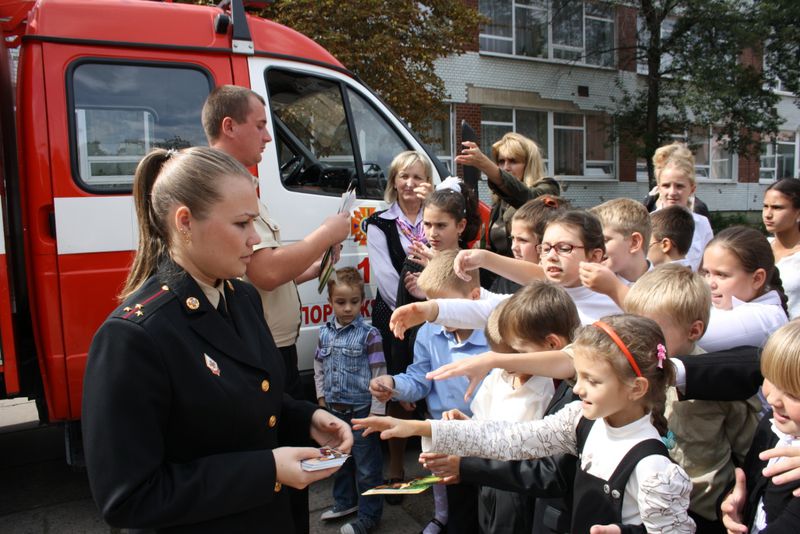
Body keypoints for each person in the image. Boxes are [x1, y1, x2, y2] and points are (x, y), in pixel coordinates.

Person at [82, 147, 352, 533]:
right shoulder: (134, 336)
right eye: (241, 224)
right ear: (185, 222)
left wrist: (304, 417)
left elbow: (257, 396)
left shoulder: (241, 298)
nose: (254, 238)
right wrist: (267, 470)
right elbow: (129, 497)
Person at [355, 314, 696, 533]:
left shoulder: (654, 469)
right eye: (579, 376)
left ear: (636, 388)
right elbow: (511, 439)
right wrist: (420, 429)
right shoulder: (580, 419)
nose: (577, 388)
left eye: (593, 381)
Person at [202, 85, 351, 532]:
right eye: (262, 125)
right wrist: (326, 233)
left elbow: (267, 275)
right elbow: (264, 272)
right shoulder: (226, 185)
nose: (269, 137)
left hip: (275, 345)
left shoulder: (243, 183)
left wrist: (313, 267)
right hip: (266, 349)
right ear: (229, 126)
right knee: (283, 472)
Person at [423, 282, 576, 534]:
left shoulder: (555, 389)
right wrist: (466, 426)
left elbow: (540, 461)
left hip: (523, 495)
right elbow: (484, 419)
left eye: (515, 354)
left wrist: (468, 463)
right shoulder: (500, 377)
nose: (506, 364)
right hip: (490, 485)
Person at [625, 264, 759, 533]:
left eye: (651, 333)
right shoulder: (632, 374)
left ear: (693, 330)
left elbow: (748, 447)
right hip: (645, 502)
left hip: (703, 509)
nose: (637, 343)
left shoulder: (720, 384)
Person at [369, 250, 486, 534]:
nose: (436, 312)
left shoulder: (495, 336)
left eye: (445, 305)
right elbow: (420, 379)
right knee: (458, 510)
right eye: (431, 303)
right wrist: (394, 385)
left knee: (488, 510)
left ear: (474, 298)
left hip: (486, 440)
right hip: (445, 437)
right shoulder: (429, 332)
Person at [364, 150, 434, 492]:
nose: (410, 183)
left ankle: (437, 461)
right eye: (403, 176)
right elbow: (387, 280)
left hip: (433, 312)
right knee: (398, 391)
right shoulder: (380, 223)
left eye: (417, 177)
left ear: (427, 184)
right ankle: (395, 467)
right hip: (395, 317)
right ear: (393, 182)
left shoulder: (435, 218)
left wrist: (430, 303)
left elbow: (449, 259)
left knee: (432, 388)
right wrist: (416, 305)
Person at [314, 267, 385, 534]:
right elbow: (319, 365)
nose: (347, 308)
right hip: (333, 409)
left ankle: (370, 515)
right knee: (338, 459)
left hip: (361, 410)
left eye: (354, 302)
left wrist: (377, 413)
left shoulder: (370, 335)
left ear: (362, 301)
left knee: (367, 467)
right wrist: (321, 397)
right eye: (341, 302)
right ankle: (345, 502)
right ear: (330, 301)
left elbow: (380, 374)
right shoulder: (324, 333)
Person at [721, 321, 800, 533]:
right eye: (770, 379)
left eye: (792, 394)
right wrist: (735, 506)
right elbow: (752, 481)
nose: (773, 398)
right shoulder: (772, 424)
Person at [455, 132, 559, 290]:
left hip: (534, 283)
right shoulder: (500, 202)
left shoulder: (547, 187)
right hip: (502, 282)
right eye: (501, 162)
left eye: (513, 161)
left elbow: (527, 199)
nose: (506, 167)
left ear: (528, 164)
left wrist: (485, 165)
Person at [697, 226, 789, 352]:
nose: (710, 283)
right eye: (707, 272)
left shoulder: (763, 318)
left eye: (721, 275)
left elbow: (681, 336)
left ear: (757, 279)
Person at [646, 142, 714, 271]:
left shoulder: (702, 224)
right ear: (659, 187)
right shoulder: (646, 223)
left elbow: (704, 270)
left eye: (679, 186)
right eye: (666, 185)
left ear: (692, 189)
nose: (672, 193)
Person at [580, 198, 653, 307]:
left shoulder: (669, 286)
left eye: (604, 240)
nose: (595, 248)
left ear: (634, 242)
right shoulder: (592, 287)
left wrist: (614, 290)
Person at [762, 177, 800, 319]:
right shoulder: (760, 246)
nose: (768, 214)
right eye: (765, 206)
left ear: (798, 212)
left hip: (792, 336)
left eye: (777, 207)